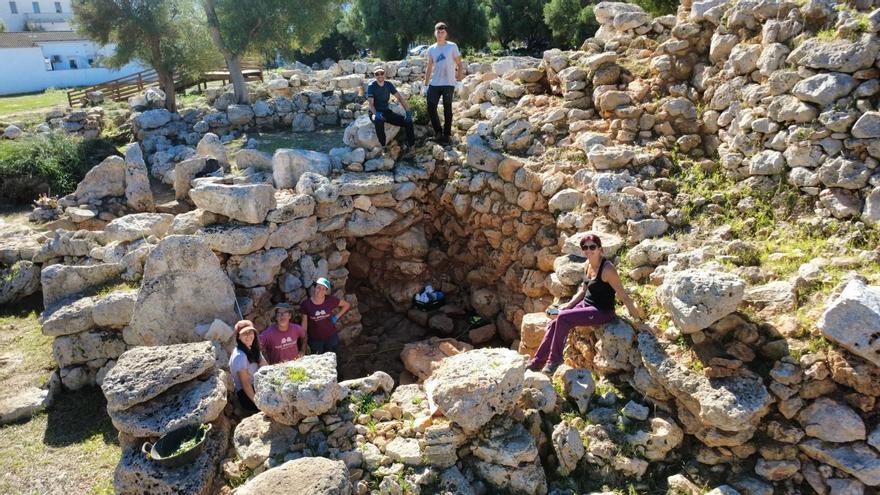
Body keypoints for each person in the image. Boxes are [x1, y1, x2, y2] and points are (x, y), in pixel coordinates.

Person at [527, 234, 646, 374]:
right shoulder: (587, 265)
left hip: (601, 311)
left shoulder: (608, 269)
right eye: (585, 247)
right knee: (554, 322)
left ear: (600, 249)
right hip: (586, 305)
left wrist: (638, 322)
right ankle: (537, 362)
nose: (588, 250)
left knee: (563, 318)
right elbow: (583, 290)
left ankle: (554, 360)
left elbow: (624, 296)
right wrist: (569, 305)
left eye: (592, 247)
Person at [423, 21, 464, 144]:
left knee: (447, 109)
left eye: (442, 32)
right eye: (438, 32)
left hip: (449, 83)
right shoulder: (431, 49)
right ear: (435, 33)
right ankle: (438, 133)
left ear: (446, 34)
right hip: (435, 83)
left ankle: (446, 135)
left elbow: (460, 65)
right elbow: (429, 67)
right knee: (431, 107)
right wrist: (425, 85)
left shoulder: (452, 46)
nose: (440, 34)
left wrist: (459, 82)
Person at [367, 66, 415, 152]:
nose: (380, 75)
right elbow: (371, 104)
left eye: (381, 73)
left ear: (384, 74)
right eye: (377, 74)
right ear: (374, 76)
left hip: (386, 111)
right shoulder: (371, 86)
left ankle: (411, 145)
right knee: (378, 121)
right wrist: (376, 113)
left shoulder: (388, 85)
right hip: (375, 112)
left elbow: (399, 97)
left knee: (408, 122)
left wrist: (407, 111)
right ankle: (383, 146)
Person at [300, 277, 351, 354]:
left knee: (334, 356)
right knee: (317, 359)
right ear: (314, 288)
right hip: (315, 339)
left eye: (323, 289)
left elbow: (346, 305)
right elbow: (304, 325)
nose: (320, 290)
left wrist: (335, 317)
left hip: (331, 336)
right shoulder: (306, 304)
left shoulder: (330, 300)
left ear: (326, 291)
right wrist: (304, 343)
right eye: (318, 287)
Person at [230, 321, 267, 413]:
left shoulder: (252, 349)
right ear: (238, 336)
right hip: (247, 395)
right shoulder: (240, 356)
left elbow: (266, 368)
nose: (248, 335)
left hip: (257, 386)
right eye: (244, 333)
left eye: (250, 332)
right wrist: (258, 404)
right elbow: (245, 383)